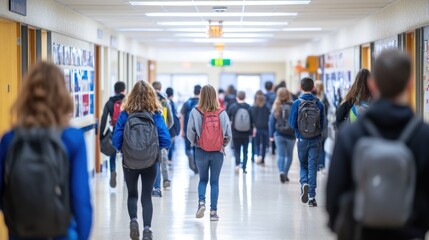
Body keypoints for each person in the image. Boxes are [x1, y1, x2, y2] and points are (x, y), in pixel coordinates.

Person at [327, 50, 429, 240]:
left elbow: (334, 195)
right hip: (408, 232)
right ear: (410, 83)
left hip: (360, 232)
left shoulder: (351, 134)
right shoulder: (422, 135)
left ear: (373, 85)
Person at [0, 62, 92, 240]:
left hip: (20, 232)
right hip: (62, 233)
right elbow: (81, 200)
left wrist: (15, 216)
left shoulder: (10, 139)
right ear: (62, 95)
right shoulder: (72, 138)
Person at [112, 80, 171, 240]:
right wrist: (154, 149)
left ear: (131, 96)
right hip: (151, 162)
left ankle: (133, 221)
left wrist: (126, 150)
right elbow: (166, 140)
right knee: (146, 196)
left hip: (129, 161)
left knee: (132, 194)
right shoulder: (156, 114)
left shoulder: (125, 114)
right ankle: (147, 230)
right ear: (151, 96)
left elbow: (116, 140)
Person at [187, 85, 232, 222]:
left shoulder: (195, 112)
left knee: (203, 179)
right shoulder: (222, 113)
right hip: (217, 152)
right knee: (214, 182)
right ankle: (213, 212)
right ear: (214, 96)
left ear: (201, 95)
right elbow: (228, 135)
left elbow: (190, 132)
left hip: (201, 150)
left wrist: (196, 143)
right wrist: (221, 144)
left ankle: (201, 203)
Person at [289, 77, 325, 207]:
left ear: (300, 88)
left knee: (303, 165)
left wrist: (299, 134)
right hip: (316, 140)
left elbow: (292, 123)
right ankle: (312, 197)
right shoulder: (319, 104)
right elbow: (323, 124)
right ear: (313, 88)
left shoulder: (296, 103)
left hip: (302, 140)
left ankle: (304, 183)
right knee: (312, 167)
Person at [99, 81, 126, 188]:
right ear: (124, 90)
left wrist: (101, 135)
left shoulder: (110, 102)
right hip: (126, 130)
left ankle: (113, 171)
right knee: (125, 154)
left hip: (115, 130)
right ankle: (126, 174)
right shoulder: (127, 101)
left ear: (115, 90)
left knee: (112, 152)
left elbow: (104, 118)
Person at [269, 88, 296, 183]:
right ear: (288, 95)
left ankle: (281, 172)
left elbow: (271, 122)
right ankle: (285, 173)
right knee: (289, 156)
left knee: (280, 155)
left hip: (278, 134)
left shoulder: (276, 106)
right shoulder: (293, 106)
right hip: (291, 135)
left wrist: (271, 135)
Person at [152, 81, 174, 197]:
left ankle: (153, 185)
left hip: (148, 134)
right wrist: (164, 130)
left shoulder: (148, 99)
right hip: (161, 134)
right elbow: (171, 120)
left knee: (152, 160)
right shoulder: (165, 101)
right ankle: (165, 180)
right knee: (162, 157)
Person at [227, 91, 253, 174]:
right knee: (245, 150)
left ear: (237, 97)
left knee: (236, 149)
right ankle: (244, 168)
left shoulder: (232, 107)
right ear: (245, 97)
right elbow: (252, 120)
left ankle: (237, 164)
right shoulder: (249, 107)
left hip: (235, 132)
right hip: (246, 132)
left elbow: (227, 118)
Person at [181, 85, 202, 174]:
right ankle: (197, 167)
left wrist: (182, 130)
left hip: (187, 129)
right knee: (197, 148)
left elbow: (182, 116)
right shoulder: (202, 103)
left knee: (187, 148)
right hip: (199, 131)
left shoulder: (187, 103)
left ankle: (189, 156)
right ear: (200, 92)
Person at [251, 92, 270, 165]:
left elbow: (252, 119)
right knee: (264, 144)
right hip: (265, 128)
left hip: (256, 128)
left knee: (256, 143)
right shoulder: (267, 108)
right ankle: (263, 158)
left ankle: (258, 155)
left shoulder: (253, 108)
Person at [315, 80, 330, 170]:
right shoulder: (325, 99)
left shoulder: (313, 99)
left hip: (314, 125)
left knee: (315, 145)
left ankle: (316, 164)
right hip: (324, 124)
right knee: (323, 144)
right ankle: (322, 164)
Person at [166, 87, 180, 163]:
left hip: (165, 126)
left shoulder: (163, 102)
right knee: (170, 143)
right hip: (171, 127)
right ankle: (169, 159)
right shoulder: (172, 103)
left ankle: (167, 158)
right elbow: (174, 116)